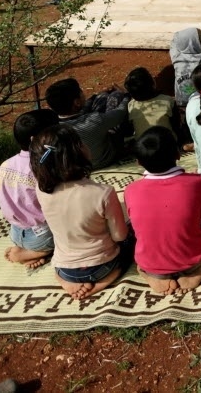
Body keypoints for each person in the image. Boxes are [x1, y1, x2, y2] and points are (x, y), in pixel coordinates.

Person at [124, 126, 201, 295]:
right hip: (193, 261)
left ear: (138, 162)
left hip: (151, 266)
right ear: (178, 155)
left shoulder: (130, 190)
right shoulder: (199, 182)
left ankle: (149, 275)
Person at [31, 124, 129, 300]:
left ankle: (64, 280)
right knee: (131, 241)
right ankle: (106, 280)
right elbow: (119, 236)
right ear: (77, 153)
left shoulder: (40, 189)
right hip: (103, 266)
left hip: (65, 268)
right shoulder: (103, 192)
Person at [0, 108, 60, 268]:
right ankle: (38, 252)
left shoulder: (5, 165)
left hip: (16, 232)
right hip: (41, 235)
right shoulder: (43, 168)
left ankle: (25, 248)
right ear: (37, 140)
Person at [44, 77, 129, 169]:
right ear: (77, 102)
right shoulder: (94, 119)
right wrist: (126, 95)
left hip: (79, 167)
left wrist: (98, 95)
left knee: (101, 97)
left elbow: (85, 107)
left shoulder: (53, 128)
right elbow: (120, 112)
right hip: (104, 161)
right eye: (81, 91)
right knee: (115, 96)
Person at [124, 67, 181, 141]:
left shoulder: (131, 106)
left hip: (143, 148)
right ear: (152, 83)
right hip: (169, 146)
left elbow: (129, 130)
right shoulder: (168, 100)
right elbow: (176, 125)